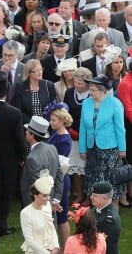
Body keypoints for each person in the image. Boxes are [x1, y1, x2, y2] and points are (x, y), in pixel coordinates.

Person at [80, 75, 126, 208]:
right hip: (92, 148)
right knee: (93, 177)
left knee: (111, 179)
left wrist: (122, 148)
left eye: (94, 90)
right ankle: (96, 208)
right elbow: (83, 127)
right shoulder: (86, 103)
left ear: (103, 90)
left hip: (110, 149)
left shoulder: (114, 103)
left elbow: (120, 128)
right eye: (90, 89)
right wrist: (82, 148)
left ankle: (114, 209)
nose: (91, 92)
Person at [0, 71, 25, 236]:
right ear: (8, 91)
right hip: (8, 159)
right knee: (5, 194)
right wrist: (22, 157)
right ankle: (1, 226)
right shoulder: (14, 113)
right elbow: (19, 140)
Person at [45, 101, 73, 253]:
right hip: (55, 177)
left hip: (60, 179)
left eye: (53, 120)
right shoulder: (57, 133)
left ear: (62, 120)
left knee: (61, 218)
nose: (51, 122)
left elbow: (60, 165)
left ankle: (65, 249)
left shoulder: (64, 140)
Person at [21, 115, 64, 208]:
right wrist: (56, 199)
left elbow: (39, 186)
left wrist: (51, 203)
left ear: (32, 135)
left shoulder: (32, 158)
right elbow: (59, 174)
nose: (26, 132)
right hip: (50, 202)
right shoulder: (52, 148)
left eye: (28, 131)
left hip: (37, 205)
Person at [64, 67, 92, 204]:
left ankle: (89, 196)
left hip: (88, 136)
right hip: (73, 136)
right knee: (76, 167)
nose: (76, 85)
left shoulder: (92, 94)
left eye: (80, 83)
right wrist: (71, 125)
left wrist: (74, 122)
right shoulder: (69, 93)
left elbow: (90, 117)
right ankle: (79, 195)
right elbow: (65, 113)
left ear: (87, 83)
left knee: (88, 167)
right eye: (75, 82)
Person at [20, 169, 60, 254]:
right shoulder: (25, 213)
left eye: (49, 195)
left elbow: (51, 228)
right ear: (35, 195)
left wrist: (56, 246)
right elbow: (29, 240)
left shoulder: (48, 206)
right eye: (44, 196)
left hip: (50, 249)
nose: (48, 198)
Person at [12, 59, 56, 125]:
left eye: (41, 69)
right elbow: (18, 110)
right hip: (28, 124)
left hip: (47, 124)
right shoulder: (20, 87)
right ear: (29, 73)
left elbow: (54, 106)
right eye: (37, 71)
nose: (40, 72)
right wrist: (33, 123)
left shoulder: (49, 85)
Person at [91, 181, 121, 254]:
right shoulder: (97, 208)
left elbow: (101, 243)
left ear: (104, 198)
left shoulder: (109, 220)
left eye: (95, 196)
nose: (91, 197)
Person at [117, 60, 132, 206]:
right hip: (129, 127)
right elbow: (128, 110)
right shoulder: (125, 84)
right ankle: (128, 193)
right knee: (130, 161)